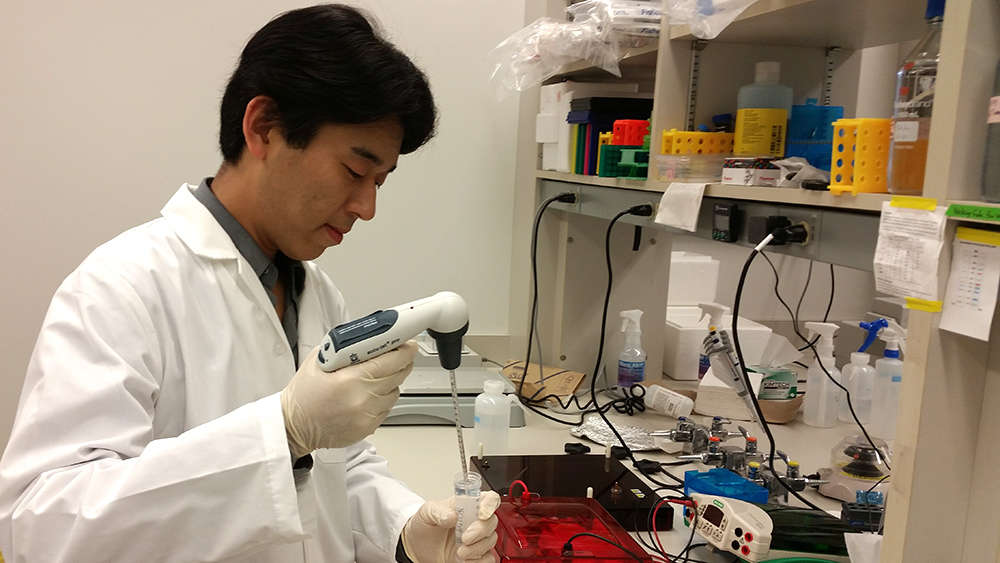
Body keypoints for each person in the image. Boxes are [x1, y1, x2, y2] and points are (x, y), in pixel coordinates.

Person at [0, 4, 500, 562]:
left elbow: (338, 470)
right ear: (264, 128)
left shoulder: (318, 293)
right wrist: (281, 433)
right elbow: (42, 527)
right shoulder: (120, 288)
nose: (367, 207)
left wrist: (405, 532)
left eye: (380, 181)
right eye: (356, 172)